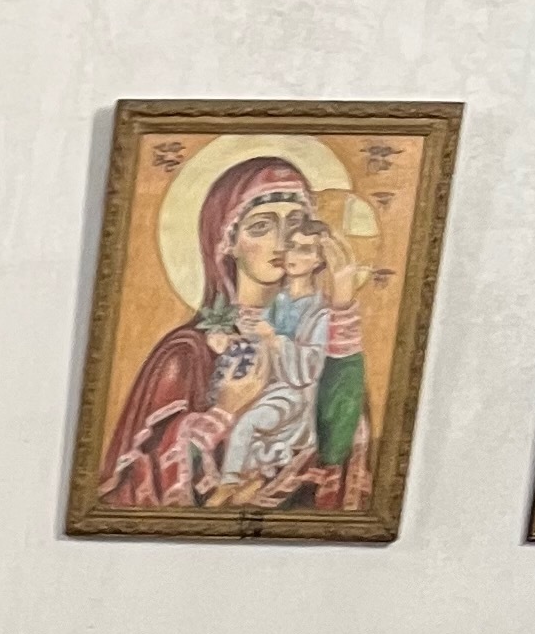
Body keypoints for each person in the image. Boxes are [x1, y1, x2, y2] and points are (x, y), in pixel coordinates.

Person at [100, 155, 361, 510]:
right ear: (226, 242)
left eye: (296, 224)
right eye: (261, 227)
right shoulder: (187, 353)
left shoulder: (319, 327)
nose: (283, 241)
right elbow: (138, 486)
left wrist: (342, 302)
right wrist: (223, 412)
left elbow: (338, 448)